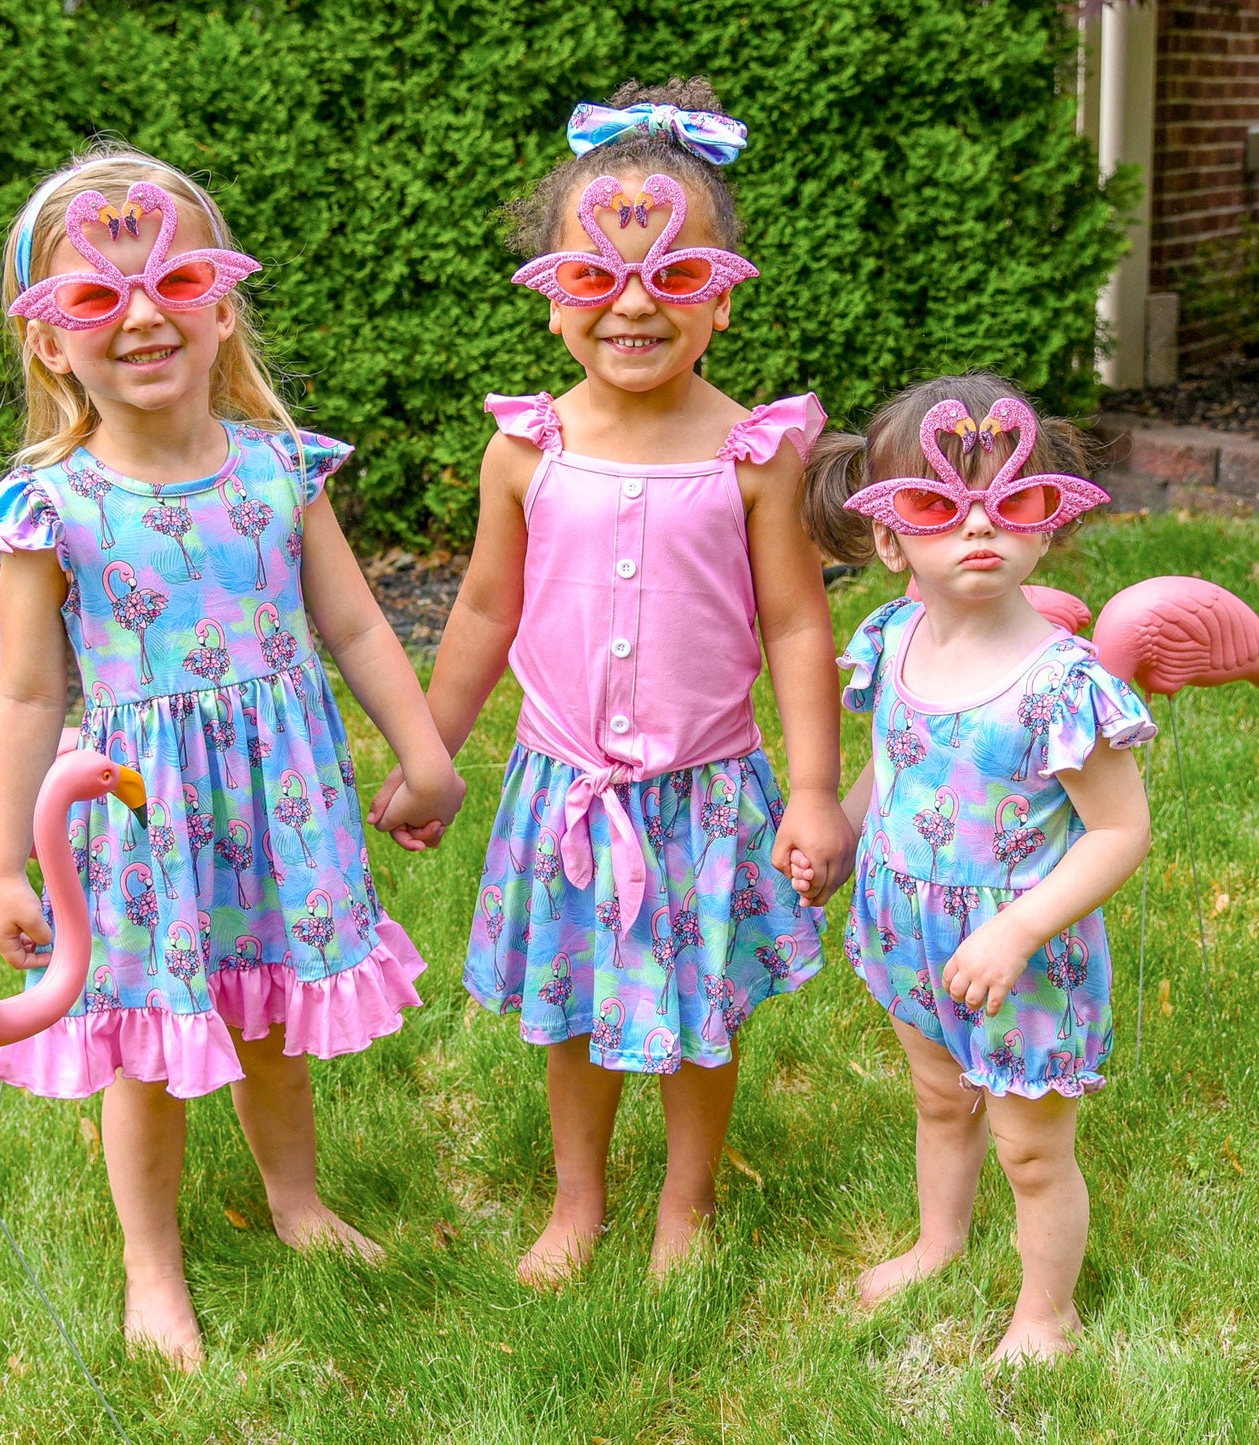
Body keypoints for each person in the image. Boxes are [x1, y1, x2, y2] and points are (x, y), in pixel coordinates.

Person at [0, 144, 464, 1368]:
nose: (141, 317)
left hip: (279, 800)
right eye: (93, 297)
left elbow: (350, 621)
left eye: (174, 282)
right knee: (144, 1045)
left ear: (221, 301)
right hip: (141, 822)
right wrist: (1, 863)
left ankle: (294, 1203)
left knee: (267, 1020)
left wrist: (425, 752)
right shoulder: (54, 505)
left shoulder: (276, 468)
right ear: (48, 339)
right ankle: (151, 1263)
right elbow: (30, 692)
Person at [371, 79, 853, 1282]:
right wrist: (429, 755)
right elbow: (485, 606)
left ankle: (684, 1204)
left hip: (702, 792)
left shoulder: (754, 454)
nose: (633, 305)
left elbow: (795, 624)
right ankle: (577, 1202)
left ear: (721, 301)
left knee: (704, 1016)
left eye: (673, 277)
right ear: (552, 306)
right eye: (592, 279)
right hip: (566, 794)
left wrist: (812, 789)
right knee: (575, 1011)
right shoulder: (526, 447)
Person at [798, 372, 1153, 1361]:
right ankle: (938, 1241)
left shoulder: (1058, 684)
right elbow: (894, 768)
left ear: (1047, 524)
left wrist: (1016, 926)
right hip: (909, 934)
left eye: (1012, 504)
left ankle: (1046, 1312)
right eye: (937, 509)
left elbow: (1118, 833)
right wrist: (846, 835)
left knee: (1031, 1149)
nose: (977, 532)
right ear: (886, 537)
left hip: (1021, 957)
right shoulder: (894, 637)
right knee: (937, 1098)